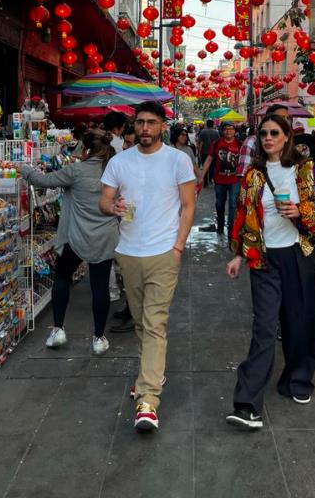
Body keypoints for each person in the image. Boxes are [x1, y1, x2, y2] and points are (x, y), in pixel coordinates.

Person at [225, 113, 315, 428]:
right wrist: (238, 255)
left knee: (299, 321)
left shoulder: (305, 170)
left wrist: (302, 210)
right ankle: (247, 403)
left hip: (298, 255)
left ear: (287, 136)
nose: (268, 138)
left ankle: (298, 380)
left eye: (274, 132)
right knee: (264, 327)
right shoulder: (253, 175)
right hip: (264, 259)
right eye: (263, 133)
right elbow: (243, 214)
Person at [99, 101, 197, 432]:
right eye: (140, 122)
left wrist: (178, 246)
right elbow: (103, 201)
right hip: (128, 252)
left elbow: (188, 206)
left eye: (151, 123)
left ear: (162, 126)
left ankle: (148, 400)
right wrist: (112, 207)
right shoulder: (119, 161)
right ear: (134, 126)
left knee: (154, 322)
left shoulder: (178, 160)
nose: (145, 128)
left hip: (163, 253)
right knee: (141, 322)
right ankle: (150, 372)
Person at [20, 128, 120, 355]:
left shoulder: (76, 170)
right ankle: (98, 338)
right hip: (105, 237)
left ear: (86, 149)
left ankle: (58, 329)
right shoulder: (114, 170)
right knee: (100, 286)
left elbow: (44, 180)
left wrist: (24, 168)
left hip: (74, 236)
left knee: (62, 278)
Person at [199, 122, 242, 236]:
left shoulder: (239, 144)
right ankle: (220, 225)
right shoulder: (217, 143)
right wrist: (202, 175)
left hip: (234, 181)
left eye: (231, 128)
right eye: (226, 129)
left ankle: (231, 227)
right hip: (219, 180)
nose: (228, 131)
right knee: (219, 204)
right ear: (222, 131)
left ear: (234, 130)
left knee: (233, 205)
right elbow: (209, 159)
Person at [197, 120, 220, 187]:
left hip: (204, 151)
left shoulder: (203, 131)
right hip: (213, 152)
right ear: (213, 124)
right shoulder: (216, 132)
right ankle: (210, 179)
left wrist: (199, 151)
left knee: (205, 166)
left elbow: (201, 142)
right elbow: (218, 143)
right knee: (212, 166)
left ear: (207, 124)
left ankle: (205, 183)